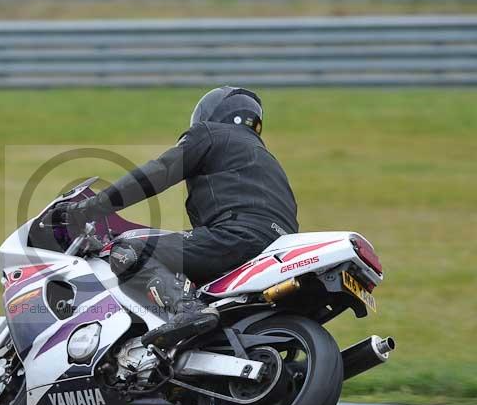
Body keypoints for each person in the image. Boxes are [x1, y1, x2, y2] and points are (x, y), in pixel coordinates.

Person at [43, 86, 298, 348]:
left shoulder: (211, 134)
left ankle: (187, 309)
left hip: (236, 237)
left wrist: (92, 207)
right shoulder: (266, 160)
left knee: (130, 250)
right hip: (278, 247)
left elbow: (158, 173)